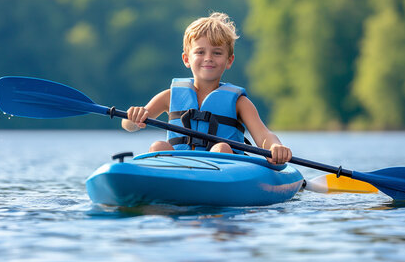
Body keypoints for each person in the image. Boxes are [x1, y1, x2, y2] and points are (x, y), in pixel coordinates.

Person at [122, 12, 292, 165]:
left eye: (217, 53)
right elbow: (129, 125)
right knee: (158, 146)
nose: (208, 58)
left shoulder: (240, 103)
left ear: (229, 60)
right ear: (186, 59)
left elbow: (263, 135)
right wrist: (133, 117)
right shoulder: (169, 96)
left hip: (224, 170)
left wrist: (275, 147)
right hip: (179, 166)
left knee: (222, 148)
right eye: (200, 52)